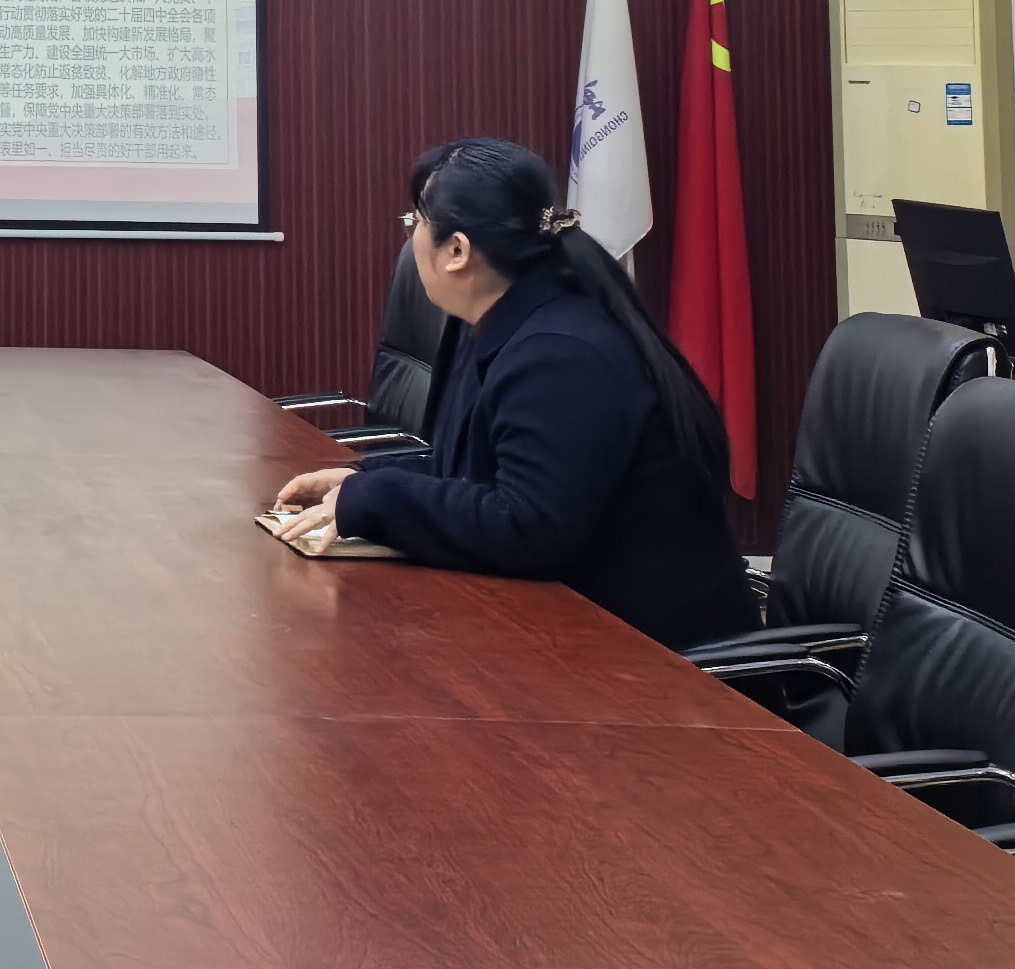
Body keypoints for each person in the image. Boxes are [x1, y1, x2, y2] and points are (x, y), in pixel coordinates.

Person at [271, 138, 750, 649]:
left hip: (661, 663)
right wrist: (364, 480)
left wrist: (379, 499)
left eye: (416, 222)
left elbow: (530, 526)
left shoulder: (561, 354)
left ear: (458, 251)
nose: (410, 236)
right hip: (576, 630)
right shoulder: (504, 323)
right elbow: (478, 471)